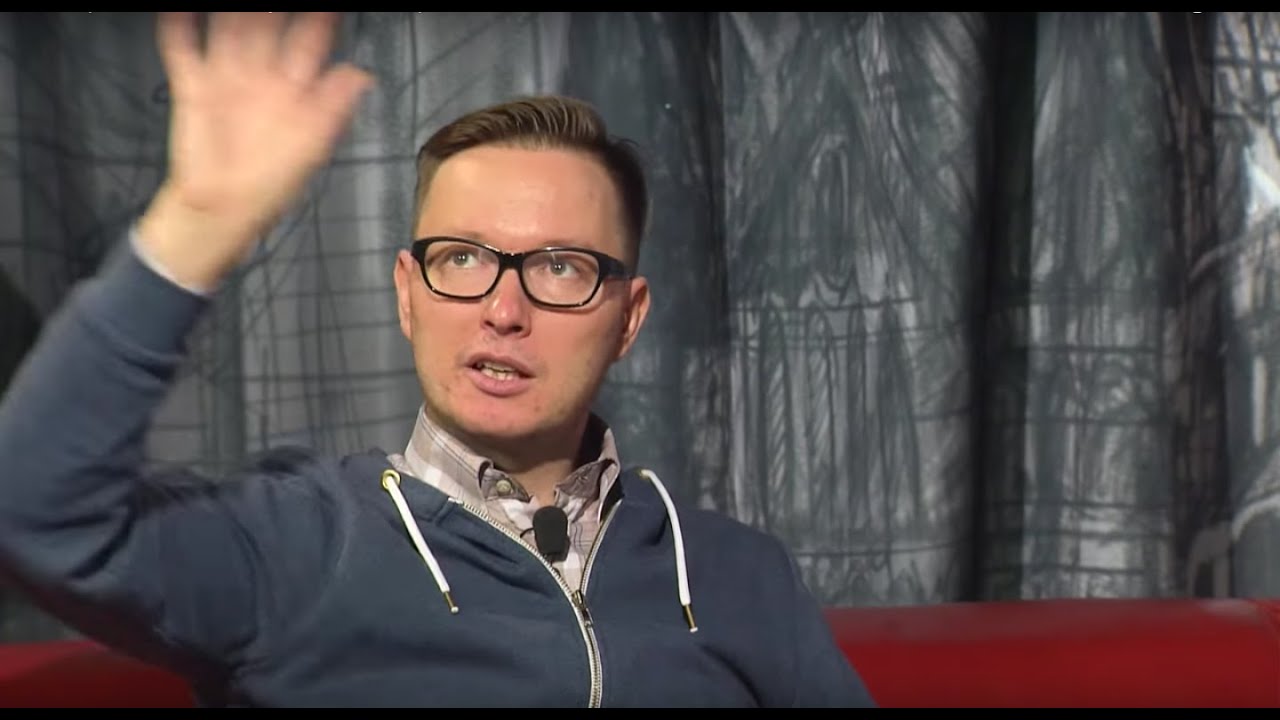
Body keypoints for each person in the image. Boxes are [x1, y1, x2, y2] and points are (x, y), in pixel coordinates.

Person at [0, 12, 876, 708]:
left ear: (627, 319)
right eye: (461, 259)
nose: (503, 309)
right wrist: (196, 225)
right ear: (407, 294)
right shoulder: (295, 544)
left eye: (561, 268)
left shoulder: (736, 573)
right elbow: (31, 507)